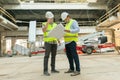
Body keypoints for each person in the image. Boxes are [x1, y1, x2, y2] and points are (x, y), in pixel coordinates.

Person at [61, 12, 81, 76]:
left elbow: (77, 30)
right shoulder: (66, 24)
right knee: (69, 56)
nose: (65, 21)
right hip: (66, 42)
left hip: (72, 41)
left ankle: (77, 70)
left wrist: (68, 31)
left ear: (68, 17)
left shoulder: (73, 21)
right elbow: (66, 32)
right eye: (64, 20)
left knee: (75, 56)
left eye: (65, 19)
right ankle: (71, 68)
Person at [42, 11, 59, 76]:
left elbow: (56, 33)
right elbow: (44, 31)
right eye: (50, 18)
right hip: (48, 42)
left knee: (53, 56)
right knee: (46, 56)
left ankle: (53, 69)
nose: (51, 19)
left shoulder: (55, 24)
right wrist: (47, 23)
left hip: (54, 43)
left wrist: (58, 40)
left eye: (52, 18)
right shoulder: (44, 24)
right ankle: (45, 70)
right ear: (47, 18)